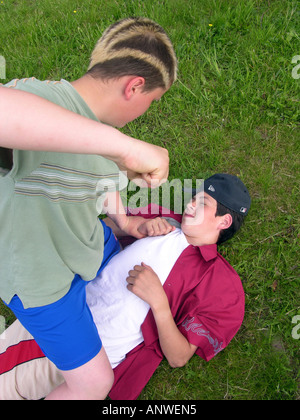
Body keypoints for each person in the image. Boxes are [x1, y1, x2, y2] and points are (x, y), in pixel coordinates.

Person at [0, 17, 177, 400]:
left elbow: (97, 184)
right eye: (153, 101)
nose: (147, 111)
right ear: (135, 87)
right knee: (96, 384)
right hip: (42, 282)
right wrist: (127, 148)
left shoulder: (103, 132)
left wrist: (125, 220)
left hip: (85, 244)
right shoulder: (36, 99)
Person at [0, 173, 251, 400]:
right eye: (194, 198)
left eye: (203, 203)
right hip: (63, 306)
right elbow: (95, 231)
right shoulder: (162, 218)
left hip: (93, 348)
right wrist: (132, 224)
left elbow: (179, 357)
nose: (191, 204)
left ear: (224, 221)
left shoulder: (221, 284)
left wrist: (159, 302)